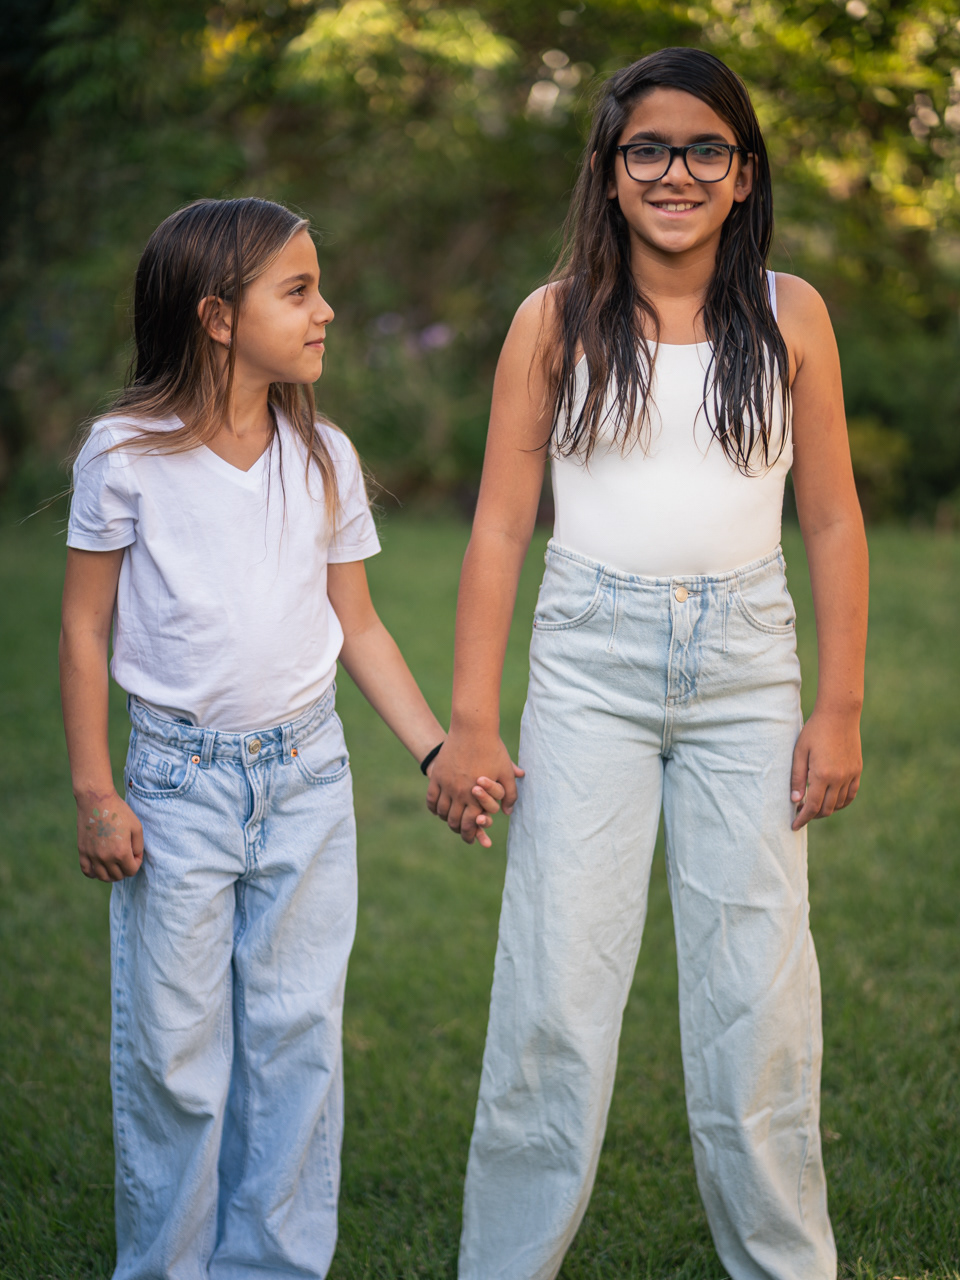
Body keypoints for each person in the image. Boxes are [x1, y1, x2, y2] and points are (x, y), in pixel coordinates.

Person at [427, 47, 868, 1280]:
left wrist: (838, 704)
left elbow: (833, 519)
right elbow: (501, 526)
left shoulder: (792, 315)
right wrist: (472, 717)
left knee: (759, 1001)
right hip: (589, 672)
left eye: (705, 149)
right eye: (649, 149)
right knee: (554, 992)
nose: (677, 172)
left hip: (748, 674)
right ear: (609, 171)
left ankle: (786, 1263)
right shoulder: (554, 319)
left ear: (745, 173)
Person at [59, 196, 507, 1280]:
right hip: (176, 788)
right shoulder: (125, 454)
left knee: (296, 1038)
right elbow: (82, 628)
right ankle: (167, 1264)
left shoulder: (324, 456)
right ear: (218, 316)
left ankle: (271, 1263)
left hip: (306, 780)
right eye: (298, 291)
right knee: (176, 1055)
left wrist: (436, 750)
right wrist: (96, 791)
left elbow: (359, 625)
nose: (326, 311)